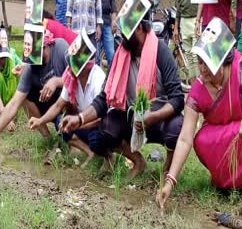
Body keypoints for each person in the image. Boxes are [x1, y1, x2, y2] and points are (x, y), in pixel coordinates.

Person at [155, 40, 242, 209]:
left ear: (223, 60)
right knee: (202, 141)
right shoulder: (197, 91)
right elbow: (185, 139)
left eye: (208, 62)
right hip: (224, 138)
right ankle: (231, 182)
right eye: (200, 62)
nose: (202, 69)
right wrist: (170, 182)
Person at [61, 20, 184, 178]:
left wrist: (153, 116)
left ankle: (168, 167)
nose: (121, 37)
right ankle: (137, 160)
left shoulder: (161, 51)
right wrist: (80, 118)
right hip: (133, 118)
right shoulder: (121, 55)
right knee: (106, 127)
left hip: (159, 117)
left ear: (139, 28)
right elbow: (103, 98)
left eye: (125, 32)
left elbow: (177, 98)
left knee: (176, 126)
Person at [0, 30, 69, 152]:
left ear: (44, 46)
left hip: (67, 104)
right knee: (24, 98)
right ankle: (48, 139)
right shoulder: (29, 68)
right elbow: (13, 104)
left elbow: (78, 77)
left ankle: (67, 137)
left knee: (68, 136)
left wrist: (56, 81)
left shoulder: (60, 48)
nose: (32, 63)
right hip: (47, 105)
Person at [28, 56, 106, 165]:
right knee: (60, 122)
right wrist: (40, 121)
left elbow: (101, 118)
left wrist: (78, 123)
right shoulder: (72, 78)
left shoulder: (98, 78)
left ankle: (105, 155)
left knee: (96, 139)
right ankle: (89, 152)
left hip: (98, 125)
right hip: (82, 121)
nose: (69, 68)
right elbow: (58, 105)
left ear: (83, 68)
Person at [0, 27, 23, 128]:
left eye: (5, 38)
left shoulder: (12, 53)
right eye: (1, 39)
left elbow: (24, 68)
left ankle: (12, 104)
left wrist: (19, 69)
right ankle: (3, 109)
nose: (3, 60)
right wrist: (6, 118)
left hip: (12, 95)